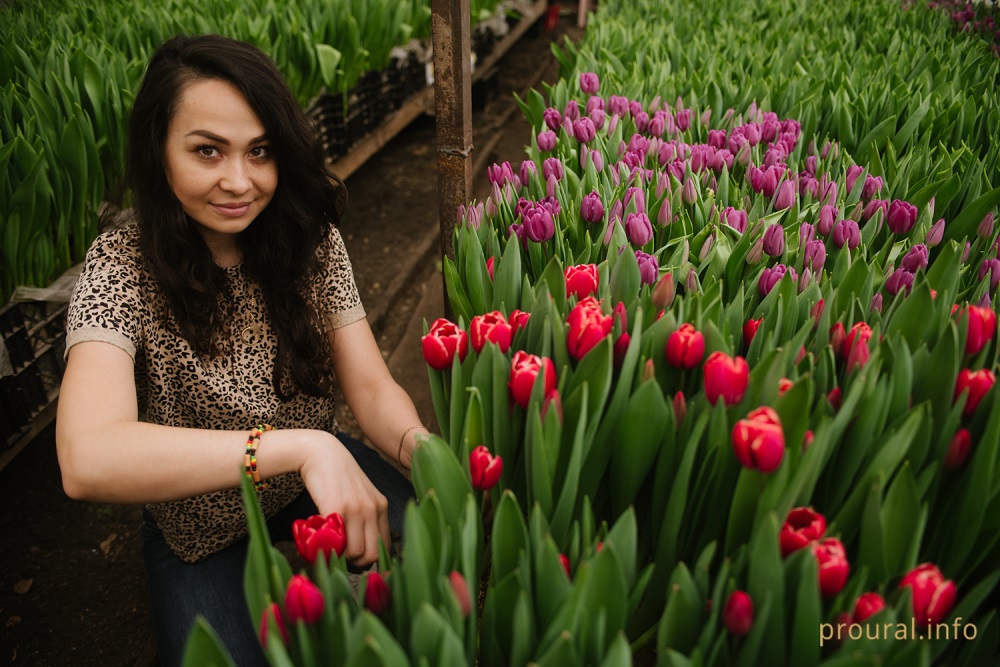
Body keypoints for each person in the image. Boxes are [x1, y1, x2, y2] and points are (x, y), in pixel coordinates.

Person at [55, 34, 428, 666]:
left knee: (447, 568)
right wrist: (305, 445)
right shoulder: (121, 267)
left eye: (260, 151)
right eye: (207, 151)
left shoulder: (306, 239)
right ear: (159, 152)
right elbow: (86, 458)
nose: (239, 181)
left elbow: (369, 389)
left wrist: (425, 453)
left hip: (312, 479)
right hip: (197, 523)